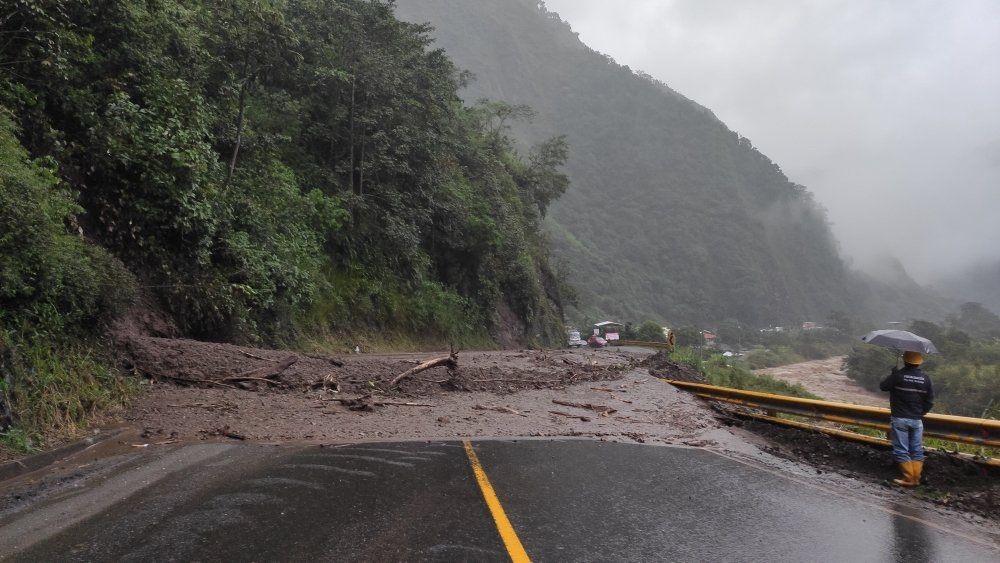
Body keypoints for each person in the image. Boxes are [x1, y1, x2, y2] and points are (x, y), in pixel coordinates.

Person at [879, 351, 934, 487]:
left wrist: (893, 374)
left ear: (905, 361)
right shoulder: (926, 378)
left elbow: (883, 386)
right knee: (916, 449)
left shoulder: (898, 376)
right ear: (919, 362)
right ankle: (916, 478)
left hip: (900, 419)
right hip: (917, 420)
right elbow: (930, 401)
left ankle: (909, 479)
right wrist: (920, 413)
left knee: (901, 449)